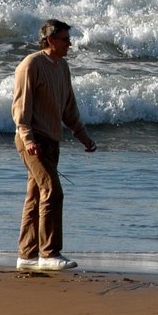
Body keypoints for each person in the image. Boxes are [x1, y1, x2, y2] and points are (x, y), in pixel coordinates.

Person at [12, 19, 97, 271]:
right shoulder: (31, 65)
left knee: (36, 196)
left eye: (69, 39)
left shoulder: (62, 67)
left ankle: (26, 256)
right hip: (32, 140)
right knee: (52, 191)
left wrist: (83, 137)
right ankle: (49, 253)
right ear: (50, 40)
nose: (69, 43)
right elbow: (20, 107)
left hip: (51, 140)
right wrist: (28, 139)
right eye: (64, 39)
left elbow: (68, 108)